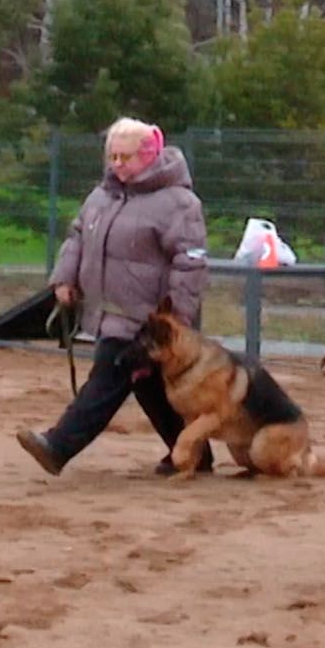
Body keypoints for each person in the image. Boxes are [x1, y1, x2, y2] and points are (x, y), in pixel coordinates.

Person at [14, 118, 212, 477]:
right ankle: (195, 454)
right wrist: (64, 278)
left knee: (109, 376)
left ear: (149, 156)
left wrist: (178, 318)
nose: (117, 164)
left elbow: (190, 263)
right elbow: (77, 237)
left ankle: (58, 447)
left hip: (149, 320)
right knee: (151, 386)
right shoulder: (101, 196)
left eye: (125, 157)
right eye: (112, 157)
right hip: (110, 312)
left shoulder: (179, 203)